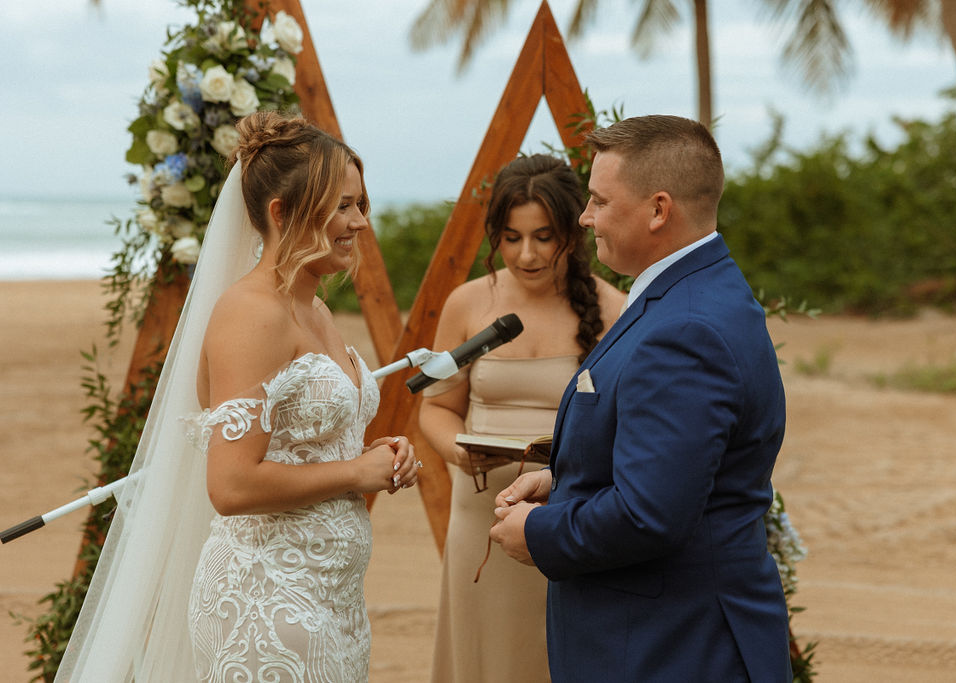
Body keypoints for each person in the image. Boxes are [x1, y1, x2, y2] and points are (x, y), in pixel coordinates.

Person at [55, 111, 420, 682]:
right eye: (343, 206)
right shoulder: (252, 314)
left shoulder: (315, 306)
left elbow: (310, 443)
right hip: (266, 603)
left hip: (332, 599)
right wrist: (355, 473)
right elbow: (230, 485)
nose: (360, 223)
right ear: (281, 213)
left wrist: (383, 457)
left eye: (362, 205)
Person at [490, 116, 792, 682]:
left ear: (658, 210)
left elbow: (649, 515)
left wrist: (538, 532)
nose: (585, 217)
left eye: (600, 201)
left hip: (670, 648)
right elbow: (682, 468)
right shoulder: (695, 290)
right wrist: (565, 479)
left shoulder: (687, 328)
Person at [418, 154, 625, 683]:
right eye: (511, 238)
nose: (526, 254)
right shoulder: (466, 304)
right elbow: (437, 408)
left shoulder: (616, 310)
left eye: (543, 237)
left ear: (573, 233)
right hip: (479, 510)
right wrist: (457, 453)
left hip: (568, 514)